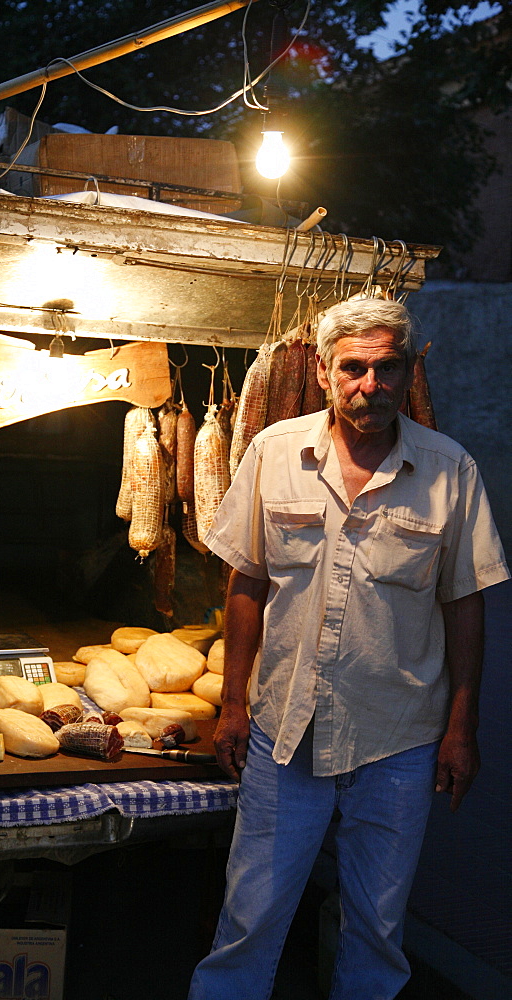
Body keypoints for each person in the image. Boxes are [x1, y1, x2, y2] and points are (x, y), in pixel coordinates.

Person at [187, 297, 509, 1000]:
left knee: (376, 929)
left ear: (406, 372)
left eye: (387, 367)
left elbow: (465, 603)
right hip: (284, 734)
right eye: (354, 368)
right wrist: (232, 704)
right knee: (250, 918)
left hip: (399, 740)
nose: (372, 384)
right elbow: (246, 582)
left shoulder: (449, 470)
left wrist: (463, 727)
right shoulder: (274, 452)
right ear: (325, 373)